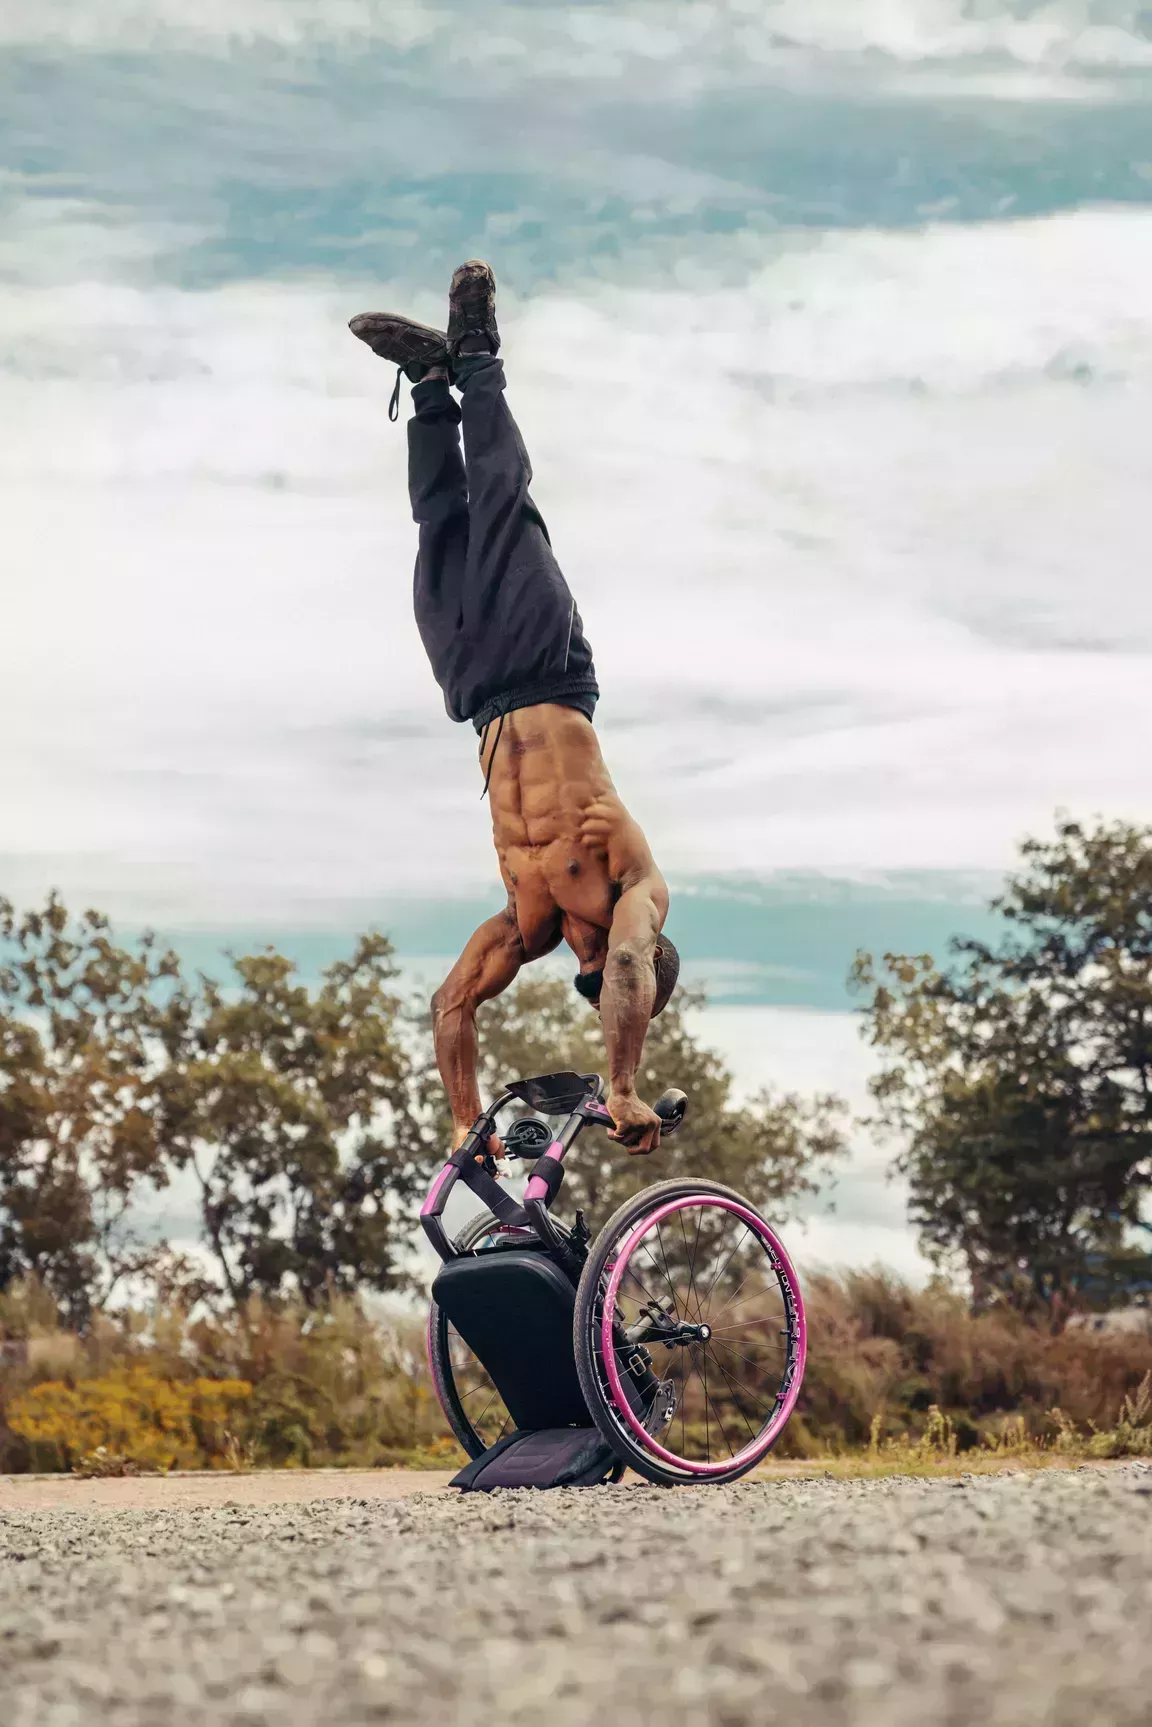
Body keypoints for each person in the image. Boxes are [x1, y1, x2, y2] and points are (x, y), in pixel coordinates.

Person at [349, 261, 678, 1156]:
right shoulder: (634, 884)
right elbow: (624, 956)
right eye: (594, 972)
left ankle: (427, 383)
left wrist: (465, 1126)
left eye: (579, 978)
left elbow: (452, 1000)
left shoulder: (527, 918)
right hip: (545, 667)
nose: (580, 964)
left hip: (477, 692)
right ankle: (478, 351)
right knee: (501, 508)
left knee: (440, 542)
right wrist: (621, 1086)